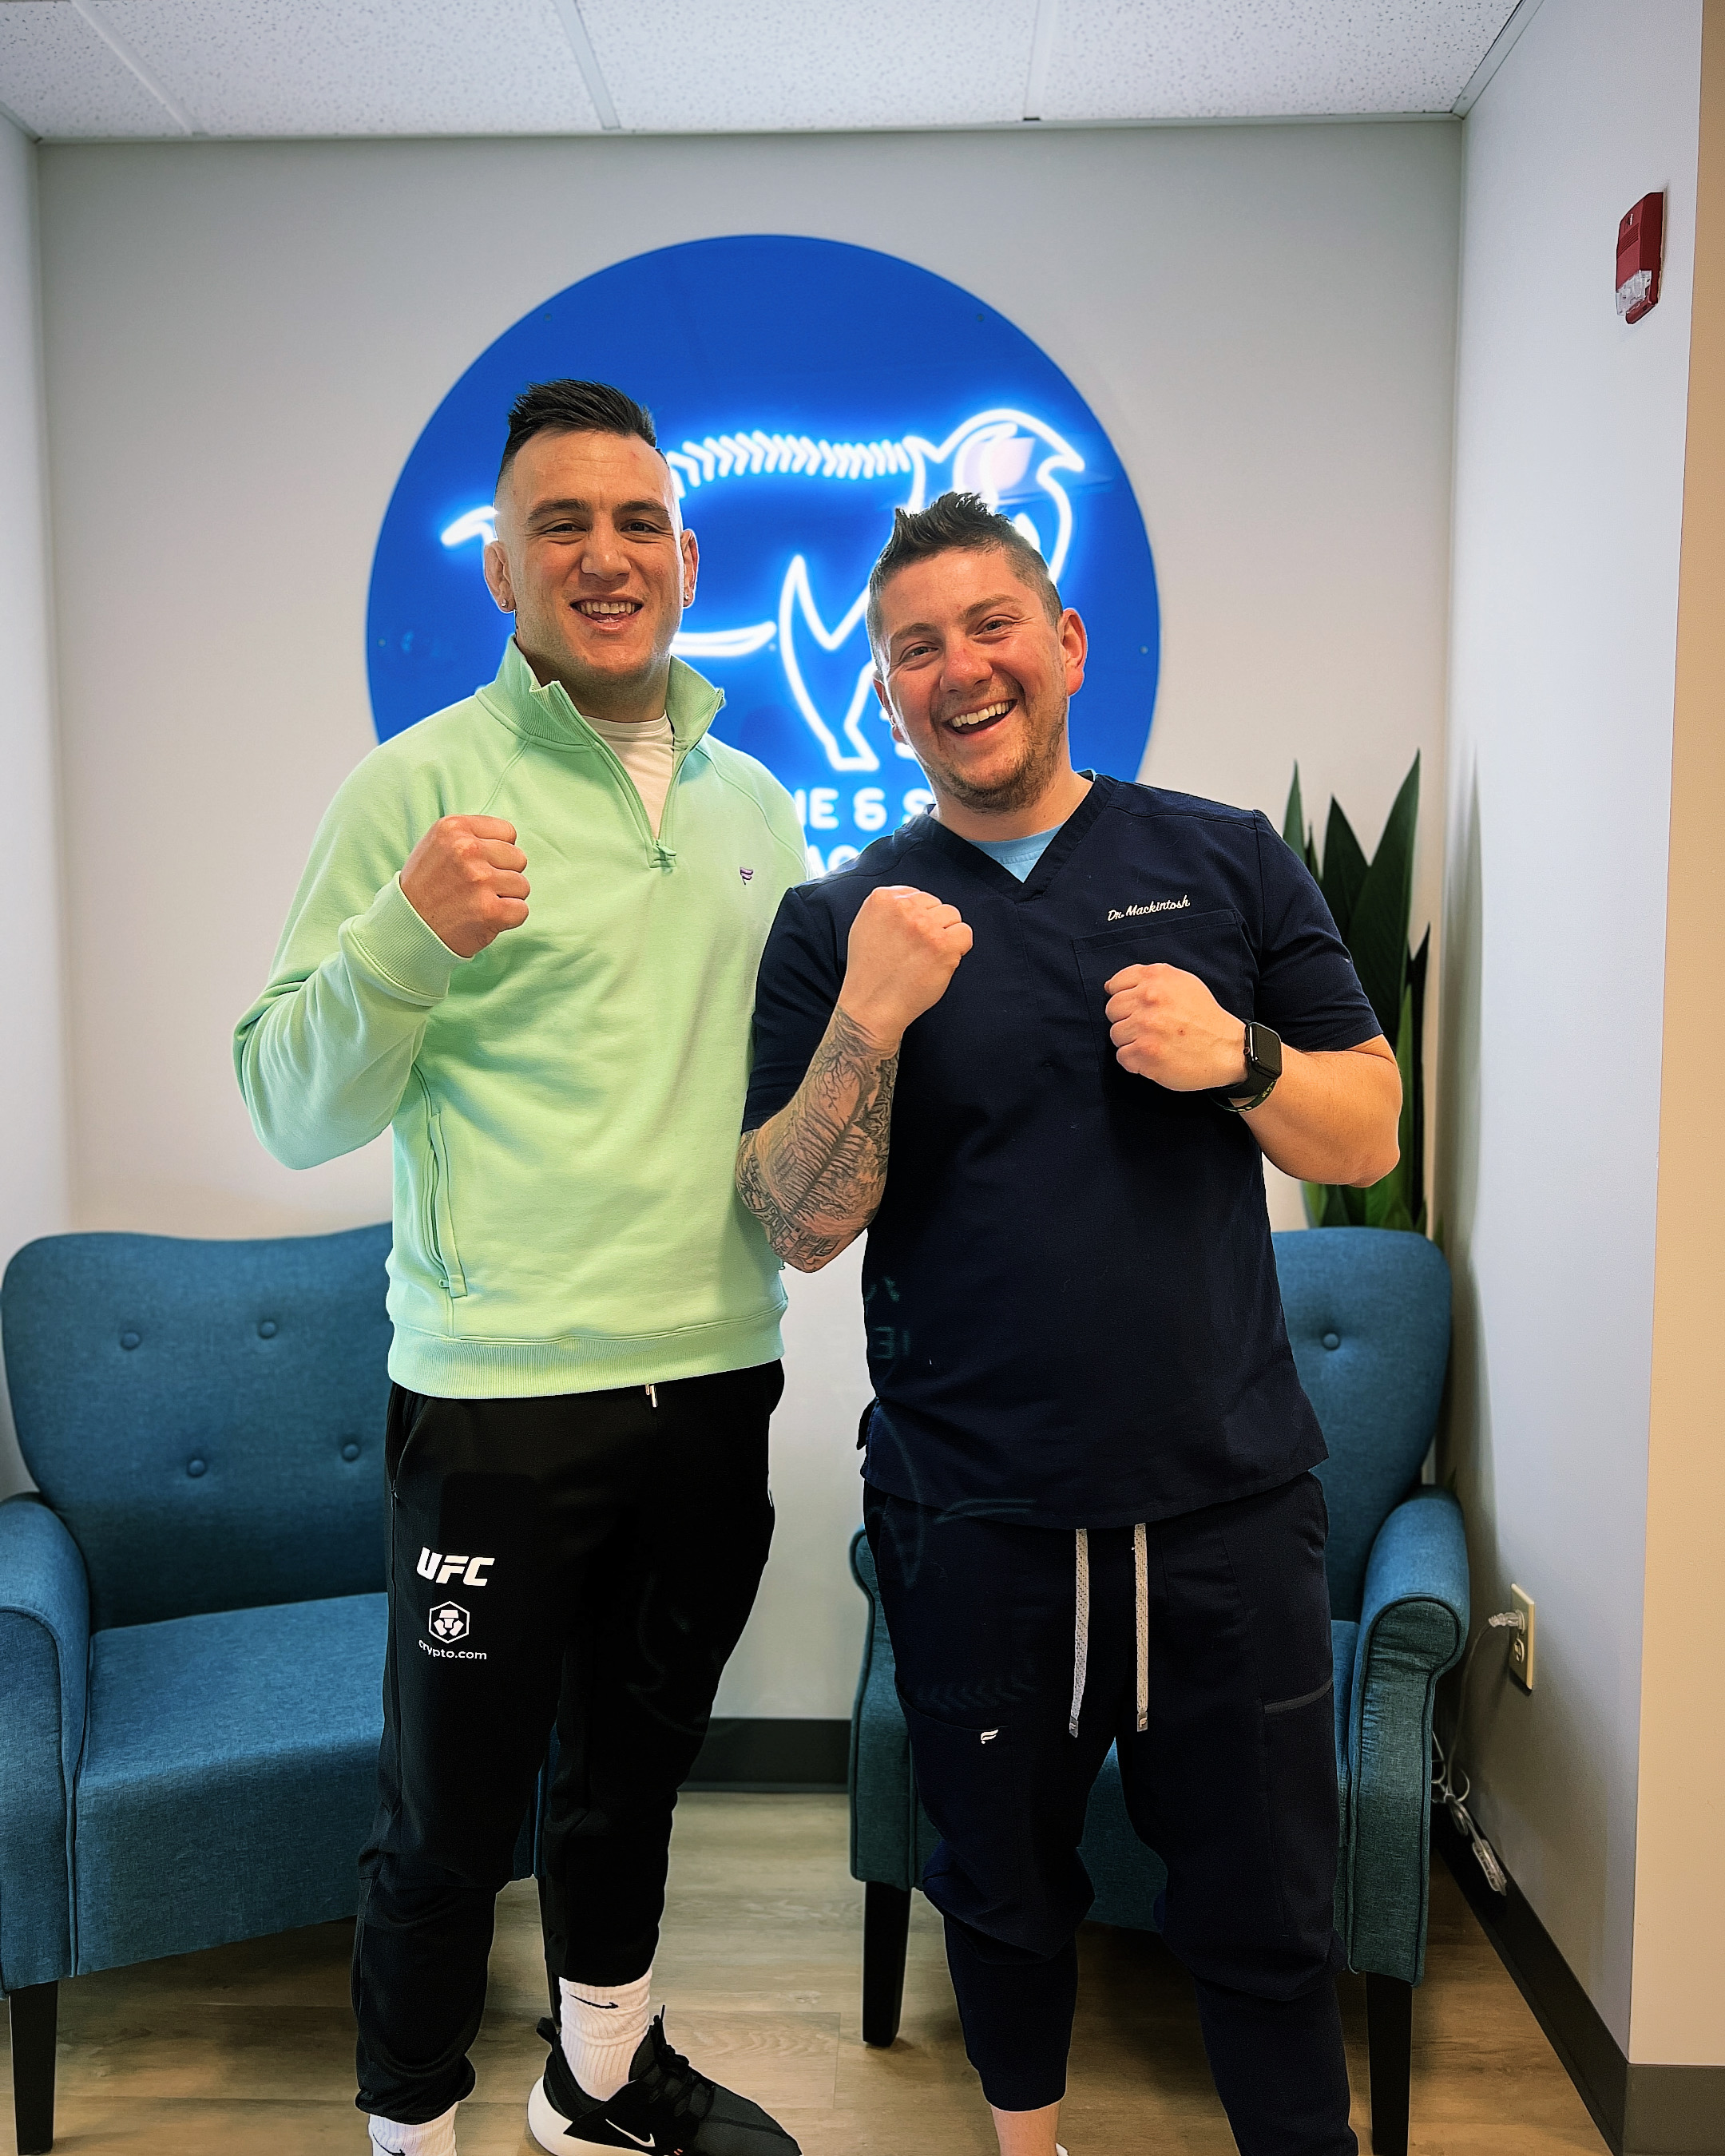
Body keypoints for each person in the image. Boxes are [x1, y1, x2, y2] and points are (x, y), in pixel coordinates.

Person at [736, 490, 1401, 2156]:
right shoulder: (843, 923)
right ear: (883, 692)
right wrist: (873, 1021)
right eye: (915, 648)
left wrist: (1239, 1057)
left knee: (1263, 1911)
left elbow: (1375, 1131)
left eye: (990, 626)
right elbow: (794, 1228)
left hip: (1226, 1503)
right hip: (977, 1514)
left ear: (1066, 643)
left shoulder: (1225, 855)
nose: (959, 669)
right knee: (1002, 1892)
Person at [236, 380, 808, 2156]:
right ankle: (412, 2127)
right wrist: (408, 934)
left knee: (631, 1783)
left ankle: (601, 2080)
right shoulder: (414, 788)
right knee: (447, 1814)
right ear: (500, 568)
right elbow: (284, 1103)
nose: (605, 554)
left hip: (713, 1382)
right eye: (561, 524)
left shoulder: (758, 806)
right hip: (493, 1412)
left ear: (687, 558)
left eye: (637, 522)